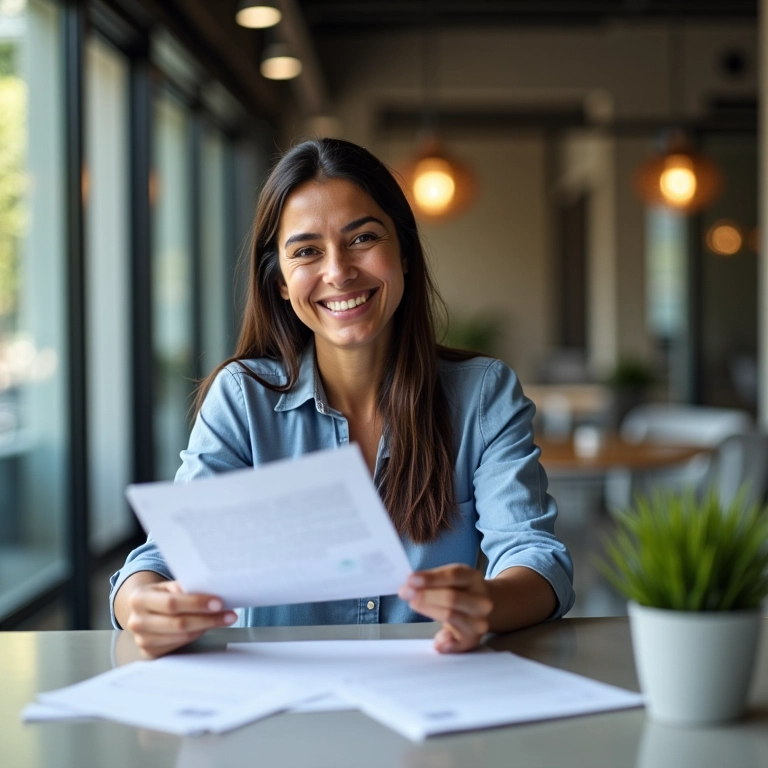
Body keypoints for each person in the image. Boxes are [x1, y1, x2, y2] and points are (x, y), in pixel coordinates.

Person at [111, 138, 575, 658]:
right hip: (279, 695)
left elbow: (536, 557)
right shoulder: (243, 399)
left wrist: (487, 602)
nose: (338, 271)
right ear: (280, 281)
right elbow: (164, 560)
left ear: (404, 253)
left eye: (363, 238)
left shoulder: (482, 395)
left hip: (431, 686)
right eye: (306, 251)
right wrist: (143, 605)